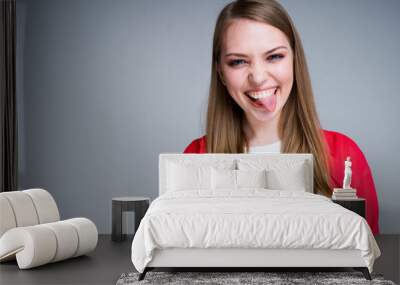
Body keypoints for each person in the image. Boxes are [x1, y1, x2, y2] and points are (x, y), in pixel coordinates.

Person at [183, 0, 379, 235]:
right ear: (221, 72)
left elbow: (367, 248)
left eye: (274, 56)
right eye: (238, 61)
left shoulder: (344, 154)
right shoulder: (195, 157)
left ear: (295, 60)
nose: (257, 77)